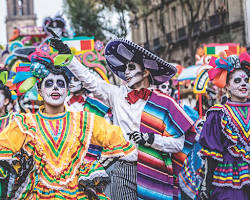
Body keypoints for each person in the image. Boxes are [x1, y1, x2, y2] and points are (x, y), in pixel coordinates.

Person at [50, 37, 197, 199]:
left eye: (131, 67)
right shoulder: (117, 95)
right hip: (122, 167)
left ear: (146, 72)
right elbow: (90, 81)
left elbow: (178, 144)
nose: (126, 72)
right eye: (126, 67)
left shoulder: (165, 103)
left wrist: (151, 139)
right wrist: (69, 58)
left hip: (154, 170)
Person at [0, 49, 136, 199]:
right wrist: (22, 165)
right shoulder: (25, 124)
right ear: (40, 90)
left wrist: (90, 166)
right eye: (49, 83)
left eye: (60, 83)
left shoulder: (84, 120)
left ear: (66, 90)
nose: (55, 88)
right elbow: (3, 147)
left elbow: (119, 142)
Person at [199, 53, 250, 200]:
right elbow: (211, 153)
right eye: (237, 81)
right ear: (227, 85)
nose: (244, 84)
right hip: (229, 179)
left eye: (246, 80)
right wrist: (205, 184)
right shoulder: (218, 113)